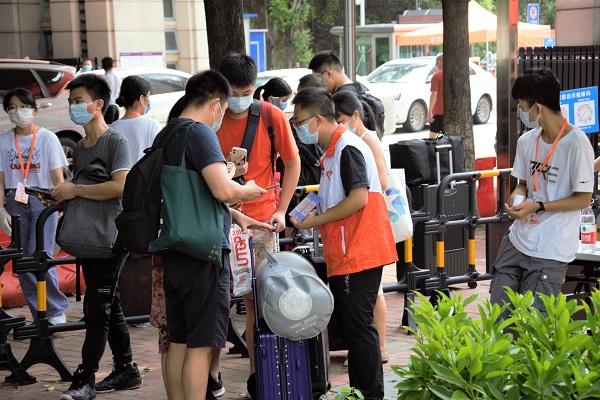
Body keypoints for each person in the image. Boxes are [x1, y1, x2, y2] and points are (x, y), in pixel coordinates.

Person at [156, 69, 269, 400]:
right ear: (216, 103)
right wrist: (248, 190)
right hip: (203, 251)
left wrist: (233, 215)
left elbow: (189, 194)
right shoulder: (200, 133)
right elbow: (222, 189)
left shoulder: (168, 132)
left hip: (175, 248)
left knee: (179, 340)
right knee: (202, 343)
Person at [291, 88, 397, 400]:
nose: (297, 128)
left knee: (359, 328)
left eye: (299, 122)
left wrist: (315, 221)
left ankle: (369, 394)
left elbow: (359, 198)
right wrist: (310, 210)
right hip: (348, 249)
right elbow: (336, 195)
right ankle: (361, 393)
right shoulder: (333, 150)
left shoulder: (347, 147)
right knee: (355, 328)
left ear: (318, 119)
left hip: (359, 249)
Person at [50, 74, 141, 400]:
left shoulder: (115, 142)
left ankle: (85, 378)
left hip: (111, 238)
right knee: (108, 302)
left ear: (98, 104)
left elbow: (121, 186)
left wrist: (75, 189)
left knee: (97, 307)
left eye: (79, 101)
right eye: (71, 102)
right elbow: (86, 191)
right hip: (87, 236)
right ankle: (126, 369)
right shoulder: (80, 147)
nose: (73, 107)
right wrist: (63, 195)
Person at [217, 53, 301, 399]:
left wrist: (281, 210)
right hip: (218, 221)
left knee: (257, 304)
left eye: (247, 92)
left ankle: (258, 378)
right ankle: (212, 377)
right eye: (233, 93)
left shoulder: (270, 115)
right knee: (216, 301)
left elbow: (292, 162)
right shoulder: (210, 115)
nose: (240, 100)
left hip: (261, 224)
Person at [489, 67, 594, 322]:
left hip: (550, 250)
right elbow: (523, 184)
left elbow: (583, 198)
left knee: (532, 327)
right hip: (516, 241)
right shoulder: (527, 141)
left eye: (521, 106)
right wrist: (517, 197)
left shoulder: (577, 144)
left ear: (537, 107)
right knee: (499, 322)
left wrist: (538, 206)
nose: (520, 112)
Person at [0, 88, 70, 325]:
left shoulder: (47, 138)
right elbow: (0, 179)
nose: (17, 111)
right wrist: (1, 209)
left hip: (43, 199)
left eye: (22, 106)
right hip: (15, 200)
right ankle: (40, 312)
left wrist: (60, 204)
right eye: (12, 107)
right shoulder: (3, 140)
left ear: (34, 110)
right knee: (22, 261)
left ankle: (55, 309)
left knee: (40, 256)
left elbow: (58, 177)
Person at [332, 90, 389, 365]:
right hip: (361, 228)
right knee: (370, 298)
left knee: (372, 297)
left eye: (341, 120)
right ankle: (371, 348)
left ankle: (379, 347)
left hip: (367, 228)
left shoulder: (362, 141)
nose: (338, 126)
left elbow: (380, 181)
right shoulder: (354, 140)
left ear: (355, 116)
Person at [309, 50, 382, 137]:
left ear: (329, 73)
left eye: (318, 78)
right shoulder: (360, 89)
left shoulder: (339, 100)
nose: (318, 83)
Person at [111, 75, 161, 163]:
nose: (149, 102)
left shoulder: (113, 127)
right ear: (141, 99)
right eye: (148, 97)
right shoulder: (153, 126)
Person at [427, 53, 444, 138]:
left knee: (431, 140)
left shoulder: (436, 75)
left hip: (438, 112)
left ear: (439, 62)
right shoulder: (453, 74)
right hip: (451, 111)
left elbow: (434, 95)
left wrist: (429, 112)